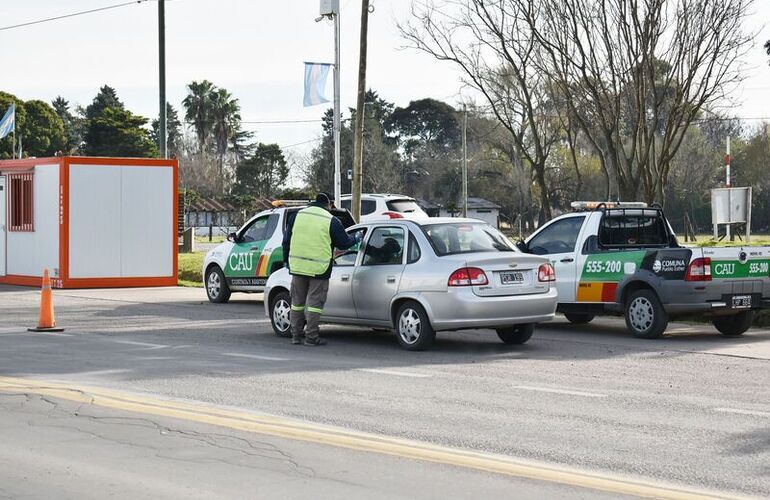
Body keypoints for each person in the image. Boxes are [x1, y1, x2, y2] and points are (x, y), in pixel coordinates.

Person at [283, 192, 359, 346]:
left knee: (297, 302)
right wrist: (356, 238)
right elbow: (344, 243)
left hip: (297, 267)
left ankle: (295, 336)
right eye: (332, 205)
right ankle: (311, 337)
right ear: (329, 204)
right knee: (314, 304)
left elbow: (286, 241)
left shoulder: (296, 216)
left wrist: (287, 261)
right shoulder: (330, 220)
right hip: (319, 268)